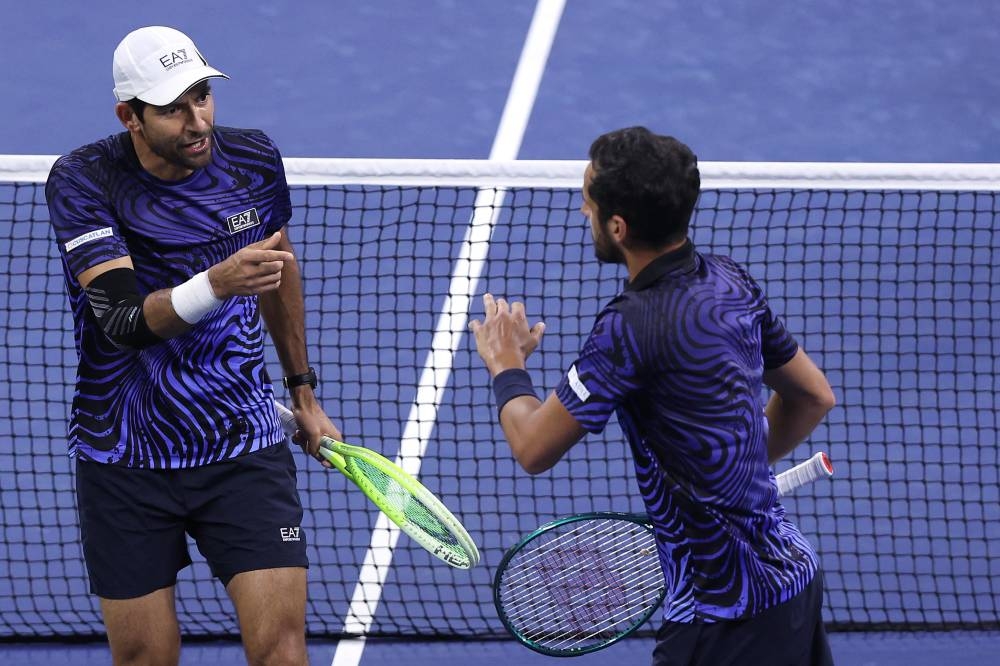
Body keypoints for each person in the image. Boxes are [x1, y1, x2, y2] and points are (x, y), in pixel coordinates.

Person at [469, 126, 837, 665]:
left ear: (618, 226)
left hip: (721, 615)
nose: (581, 211)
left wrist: (507, 366)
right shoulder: (729, 280)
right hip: (792, 579)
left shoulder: (628, 330)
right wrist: (738, 476)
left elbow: (532, 446)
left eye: (588, 201)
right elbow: (813, 396)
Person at [45, 26, 340, 666]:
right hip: (124, 455)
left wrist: (303, 393)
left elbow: (278, 268)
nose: (197, 119)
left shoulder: (253, 161)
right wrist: (215, 282)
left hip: (242, 446)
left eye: (202, 96)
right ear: (130, 116)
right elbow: (122, 318)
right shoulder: (84, 180)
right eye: (174, 107)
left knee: (283, 653)